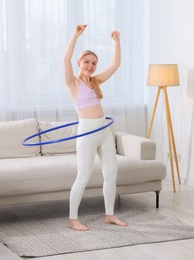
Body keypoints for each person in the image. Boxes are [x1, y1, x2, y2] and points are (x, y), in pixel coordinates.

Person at [63, 24, 128, 231]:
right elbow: (65, 60)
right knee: (83, 176)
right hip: (87, 132)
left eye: (94, 63)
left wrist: (116, 41)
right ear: (79, 63)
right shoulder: (73, 83)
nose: (91, 66)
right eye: (87, 62)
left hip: (104, 132)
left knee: (111, 173)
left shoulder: (96, 81)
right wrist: (76, 35)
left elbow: (116, 64)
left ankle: (109, 215)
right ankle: (73, 219)